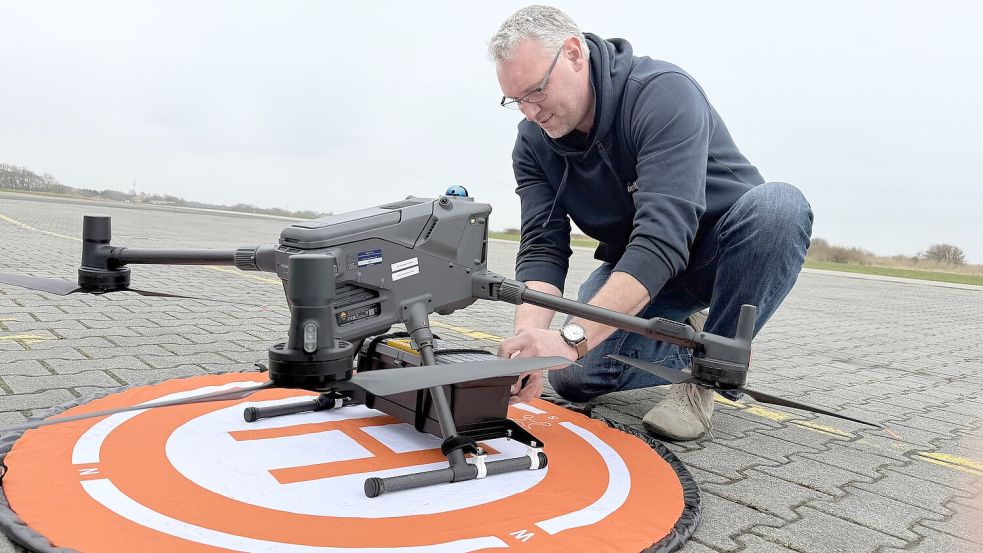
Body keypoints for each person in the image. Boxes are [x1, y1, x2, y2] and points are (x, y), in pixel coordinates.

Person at [490, 5, 813, 440]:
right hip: (642, 270)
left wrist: (571, 338)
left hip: (721, 250)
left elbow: (663, 236)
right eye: (516, 100)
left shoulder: (661, 93)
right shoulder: (533, 143)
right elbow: (543, 247)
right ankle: (691, 338)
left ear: (572, 53)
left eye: (537, 92)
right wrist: (530, 348)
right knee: (573, 378)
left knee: (780, 207)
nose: (530, 112)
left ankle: (710, 372)